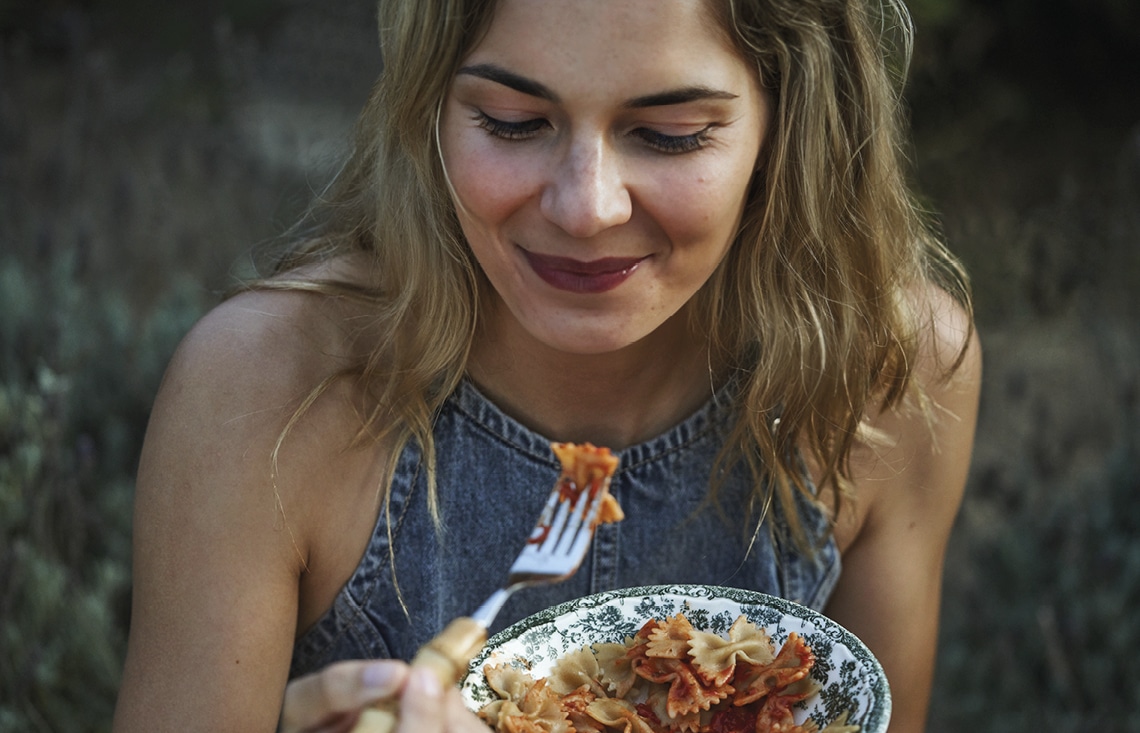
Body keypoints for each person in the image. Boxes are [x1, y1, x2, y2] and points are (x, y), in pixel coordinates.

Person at [112, 0, 981, 731]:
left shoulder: (892, 373)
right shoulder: (264, 395)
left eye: (670, 134)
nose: (585, 207)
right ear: (431, 108)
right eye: (513, 122)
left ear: (787, 123)